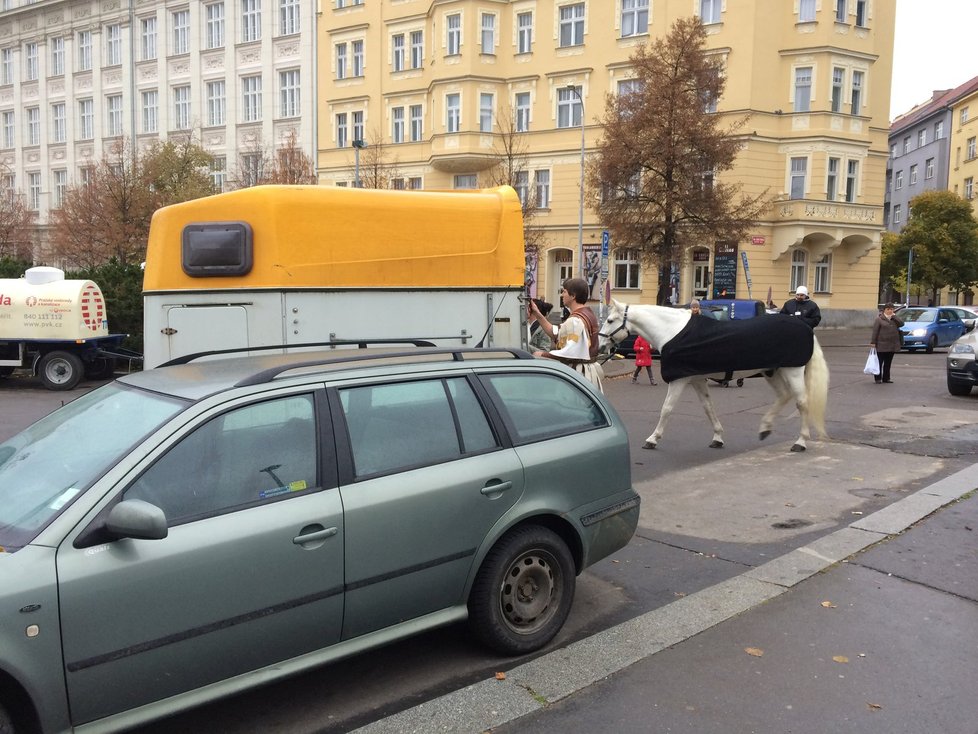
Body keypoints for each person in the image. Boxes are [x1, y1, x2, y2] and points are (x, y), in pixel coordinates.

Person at [528, 277, 604, 392]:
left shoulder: (576, 320)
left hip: (580, 374)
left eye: (564, 291)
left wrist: (542, 354)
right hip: (582, 373)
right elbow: (556, 333)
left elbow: (569, 353)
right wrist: (537, 314)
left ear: (573, 296)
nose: (562, 295)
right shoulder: (583, 314)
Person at [870, 302, 903, 384]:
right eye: (888, 309)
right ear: (884, 310)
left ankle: (886, 378)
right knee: (879, 362)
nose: (890, 311)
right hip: (881, 344)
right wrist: (873, 342)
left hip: (892, 345)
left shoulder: (894, 319)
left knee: (888, 363)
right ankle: (878, 378)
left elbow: (902, 324)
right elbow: (875, 331)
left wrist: (895, 316)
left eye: (891, 309)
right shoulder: (879, 319)